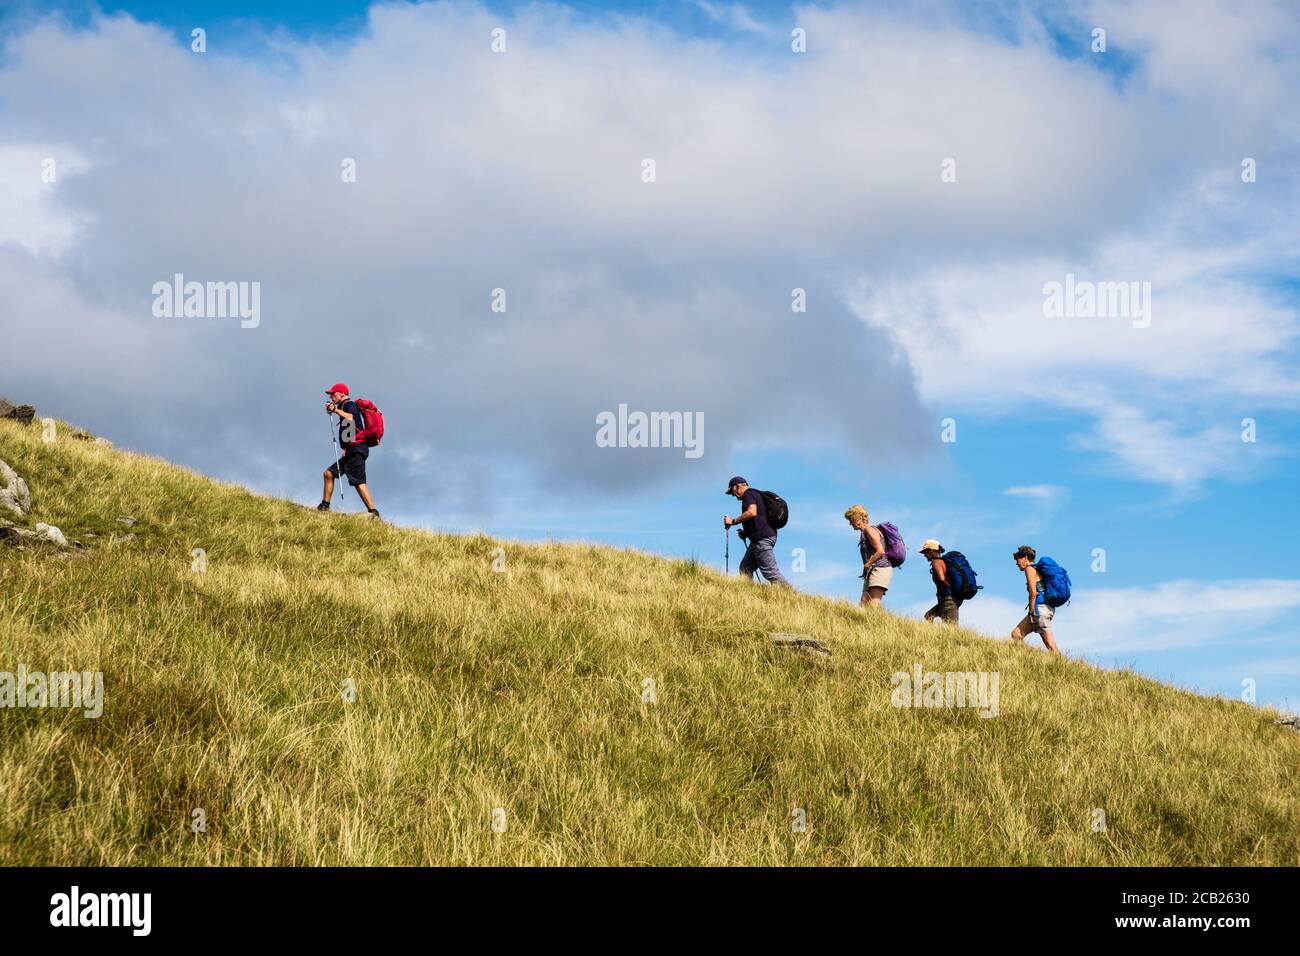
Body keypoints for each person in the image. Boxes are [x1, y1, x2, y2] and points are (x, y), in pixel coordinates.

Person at [319, 382, 380, 519]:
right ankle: (324, 505)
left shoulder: (349, 405)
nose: (331, 396)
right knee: (328, 474)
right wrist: (346, 447)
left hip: (357, 451)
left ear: (342, 394)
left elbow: (351, 418)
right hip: (351, 450)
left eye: (333, 393)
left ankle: (373, 512)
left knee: (358, 482)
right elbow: (350, 431)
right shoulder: (343, 406)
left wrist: (335, 410)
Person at [723, 476, 789, 587]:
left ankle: (789, 594)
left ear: (736, 486)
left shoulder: (748, 494)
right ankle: (748, 594)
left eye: (732, 492)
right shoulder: (755, 494)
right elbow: (759, 519)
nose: (733, 495)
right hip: (760, 538)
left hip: (762, 539)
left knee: (770, 573)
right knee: (745, 568)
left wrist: (733, 521)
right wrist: (746, 533)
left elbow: (752, 512)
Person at [1010, 545, 1060, 654]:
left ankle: (1062, 666)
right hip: (1046, 608)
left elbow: (1033, 592)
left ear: (1025, 558)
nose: (1016, 563)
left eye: (1018, 559)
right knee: (1016, 634)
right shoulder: (1037, 569)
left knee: (1050, 645)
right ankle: (1027, 659)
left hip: (1040, 610)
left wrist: (1031, 612)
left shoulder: (1030, 569)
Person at [844, 505, 891, 607]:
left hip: (880, 568)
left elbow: (880, 551)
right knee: (863, 605)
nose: (850, 523)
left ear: (859, 519)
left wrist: (867, 564)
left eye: (851, 520)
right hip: (872, 570)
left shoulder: (869, 530)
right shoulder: (864, 532)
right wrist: (866, 569)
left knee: (874, 604)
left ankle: (880, 623)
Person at [919, 539, 959, 625]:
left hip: (948, 599)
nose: (925, 555)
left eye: (926, 552)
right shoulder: (943, 561)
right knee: (928, 616)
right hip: (948, 599)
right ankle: (933, 637)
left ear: (932, 551)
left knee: (952, 628)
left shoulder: (936, 562)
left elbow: (941, 579)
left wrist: (941, 594)